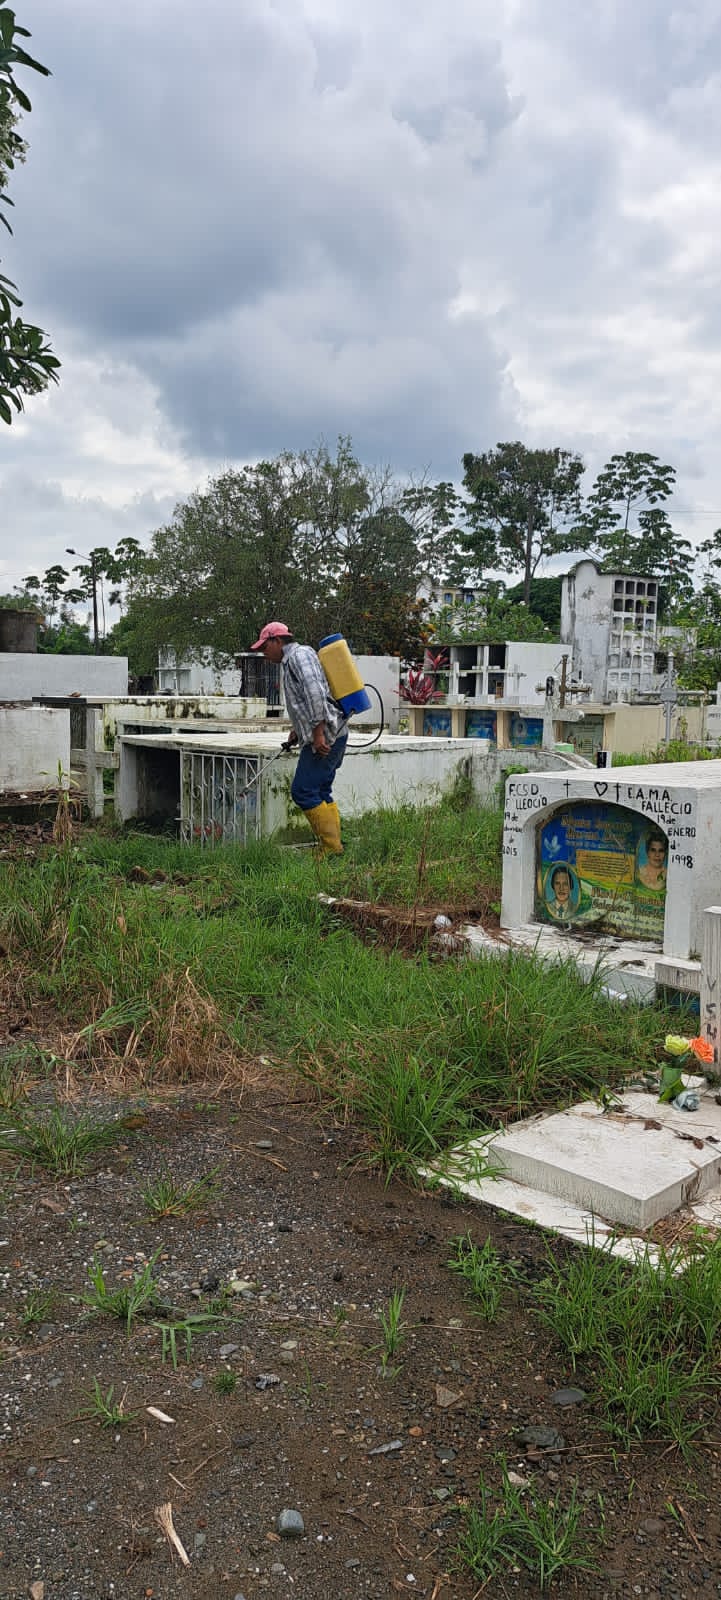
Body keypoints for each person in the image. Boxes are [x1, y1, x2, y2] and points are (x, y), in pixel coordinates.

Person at [250, 621, 347, 854]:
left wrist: (317, 733)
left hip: (326, 735)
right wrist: (298, 730)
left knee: (303, 790)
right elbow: (303, 700)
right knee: (320, 790)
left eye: (265, 647)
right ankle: (334, 848)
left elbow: (315, 693)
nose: (264, 654)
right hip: (332, 732)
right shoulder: (292, 660)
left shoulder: (298, 656)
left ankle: (331, 848)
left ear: (277, 641)